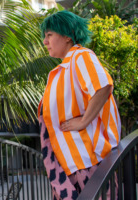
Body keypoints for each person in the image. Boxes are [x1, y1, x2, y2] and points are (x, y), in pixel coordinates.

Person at [38, 11, 121, 199]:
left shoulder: (80, 55)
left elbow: (103, 86)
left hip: (87, 162)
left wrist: (84, 121)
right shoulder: (62, 69)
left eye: (49, 35)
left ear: (67, 35)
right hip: (72, 165)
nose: (45, 41)